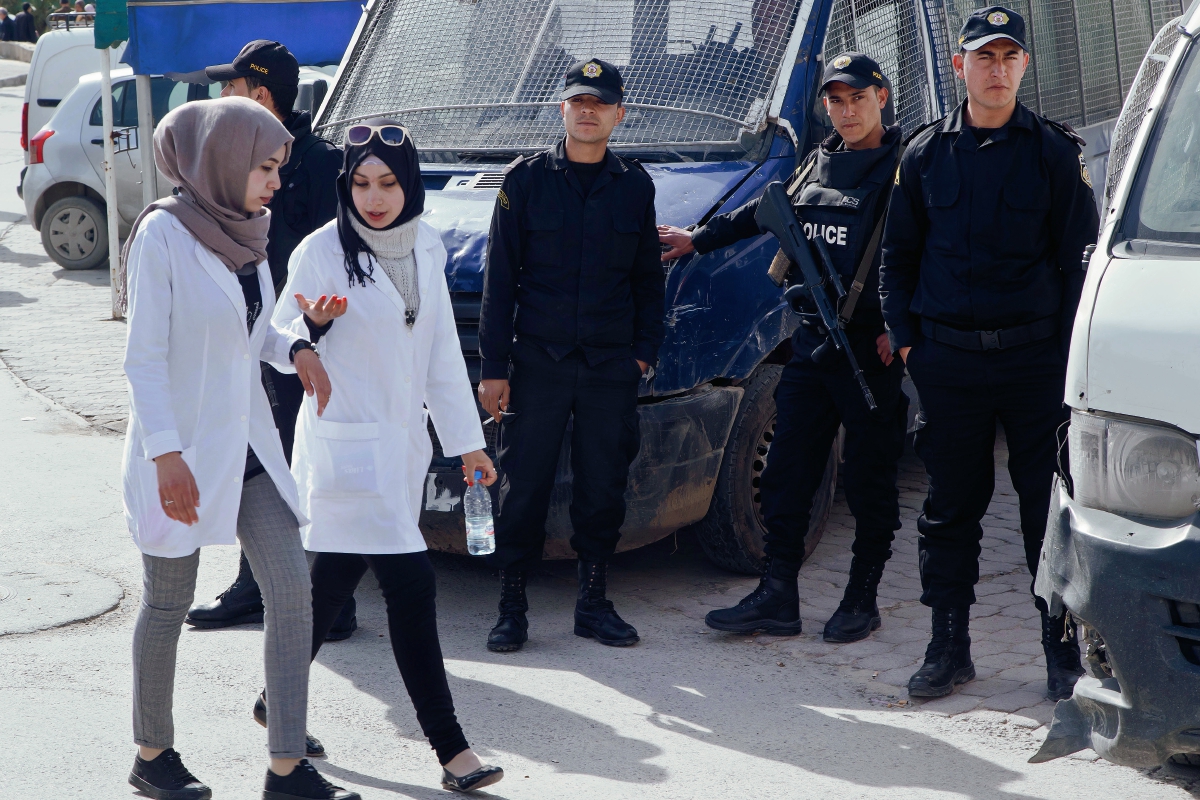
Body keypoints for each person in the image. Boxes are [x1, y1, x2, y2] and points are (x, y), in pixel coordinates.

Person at [120, 96, 357, 800]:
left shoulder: (247, 234)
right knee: (168, 604)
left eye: (279, 168)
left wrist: (299, 347)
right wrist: (165, 454)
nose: (277, 183)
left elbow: (253, 336)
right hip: (184, 453)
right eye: (265, 166)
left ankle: (286, 766)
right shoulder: (162, 236)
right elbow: (143, 359)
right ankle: (152, 753)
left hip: (248, 446)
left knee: (293, 595)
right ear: (221, 162)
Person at [267, 119, 504, 793]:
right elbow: (278, 332)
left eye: (389, 183)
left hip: (398, 453)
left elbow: (437, 355)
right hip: (344, 449)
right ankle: (452, 751)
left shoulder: (426, 245)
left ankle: (272, 698)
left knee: (326, 589)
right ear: (345, 185)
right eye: (361, 183)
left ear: (410, 183)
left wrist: (467, 444)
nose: (374, 198)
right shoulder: (319, 251)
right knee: (411, 590)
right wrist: (310, 331)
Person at [879, 6, 1099, 700]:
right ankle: (949, 647)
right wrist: (913, 347)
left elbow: (1077, 266)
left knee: (1048, 511)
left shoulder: (1055, 154)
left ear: (1024, 66)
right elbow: (897, 260)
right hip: (949, 365)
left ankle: (1060, 653)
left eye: (1009, 57)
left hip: (1035, 365)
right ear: (959, 66)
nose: (996, 69)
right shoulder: (922, 155)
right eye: (984, 56)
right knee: (950, 509)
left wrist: (1069, 363)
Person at [658, 53, 908, 643]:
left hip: (869, 353)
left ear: (883, 96)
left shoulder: (906, 169)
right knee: (786, 473)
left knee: (871, 480)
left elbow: (934, 250)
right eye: (836, 101)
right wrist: (698, 239)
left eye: (858, 98)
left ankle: (861, 597)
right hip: (813, 344)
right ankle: (777, 594)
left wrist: (903, 326)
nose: (847, 111)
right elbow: (764, 212)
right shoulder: (819, 162)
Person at [478, 58, 664, 652]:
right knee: (523, 484)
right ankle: (512, 608)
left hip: (609, 363)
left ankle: (593, 602)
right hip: (538, 361)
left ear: (619, 114)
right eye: (578, 101)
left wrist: (642, 355)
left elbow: (646, 280)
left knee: (603, 483)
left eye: (600, 103)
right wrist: (494, 369)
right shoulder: (525, 180)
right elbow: (499, 281)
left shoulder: (634, 185)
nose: (588, 111)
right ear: (562, 108)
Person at [187, 40, 350, 642]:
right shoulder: (240, 164)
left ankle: (329, 601)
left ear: (259, 97)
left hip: (305, 344)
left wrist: (310, 334)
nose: (221, 98)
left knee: (301, 468)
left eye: (231, 89)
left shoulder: (320, 165)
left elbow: (338, 257)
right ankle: (258, 587)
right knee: (259, 466)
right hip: (255, 340)